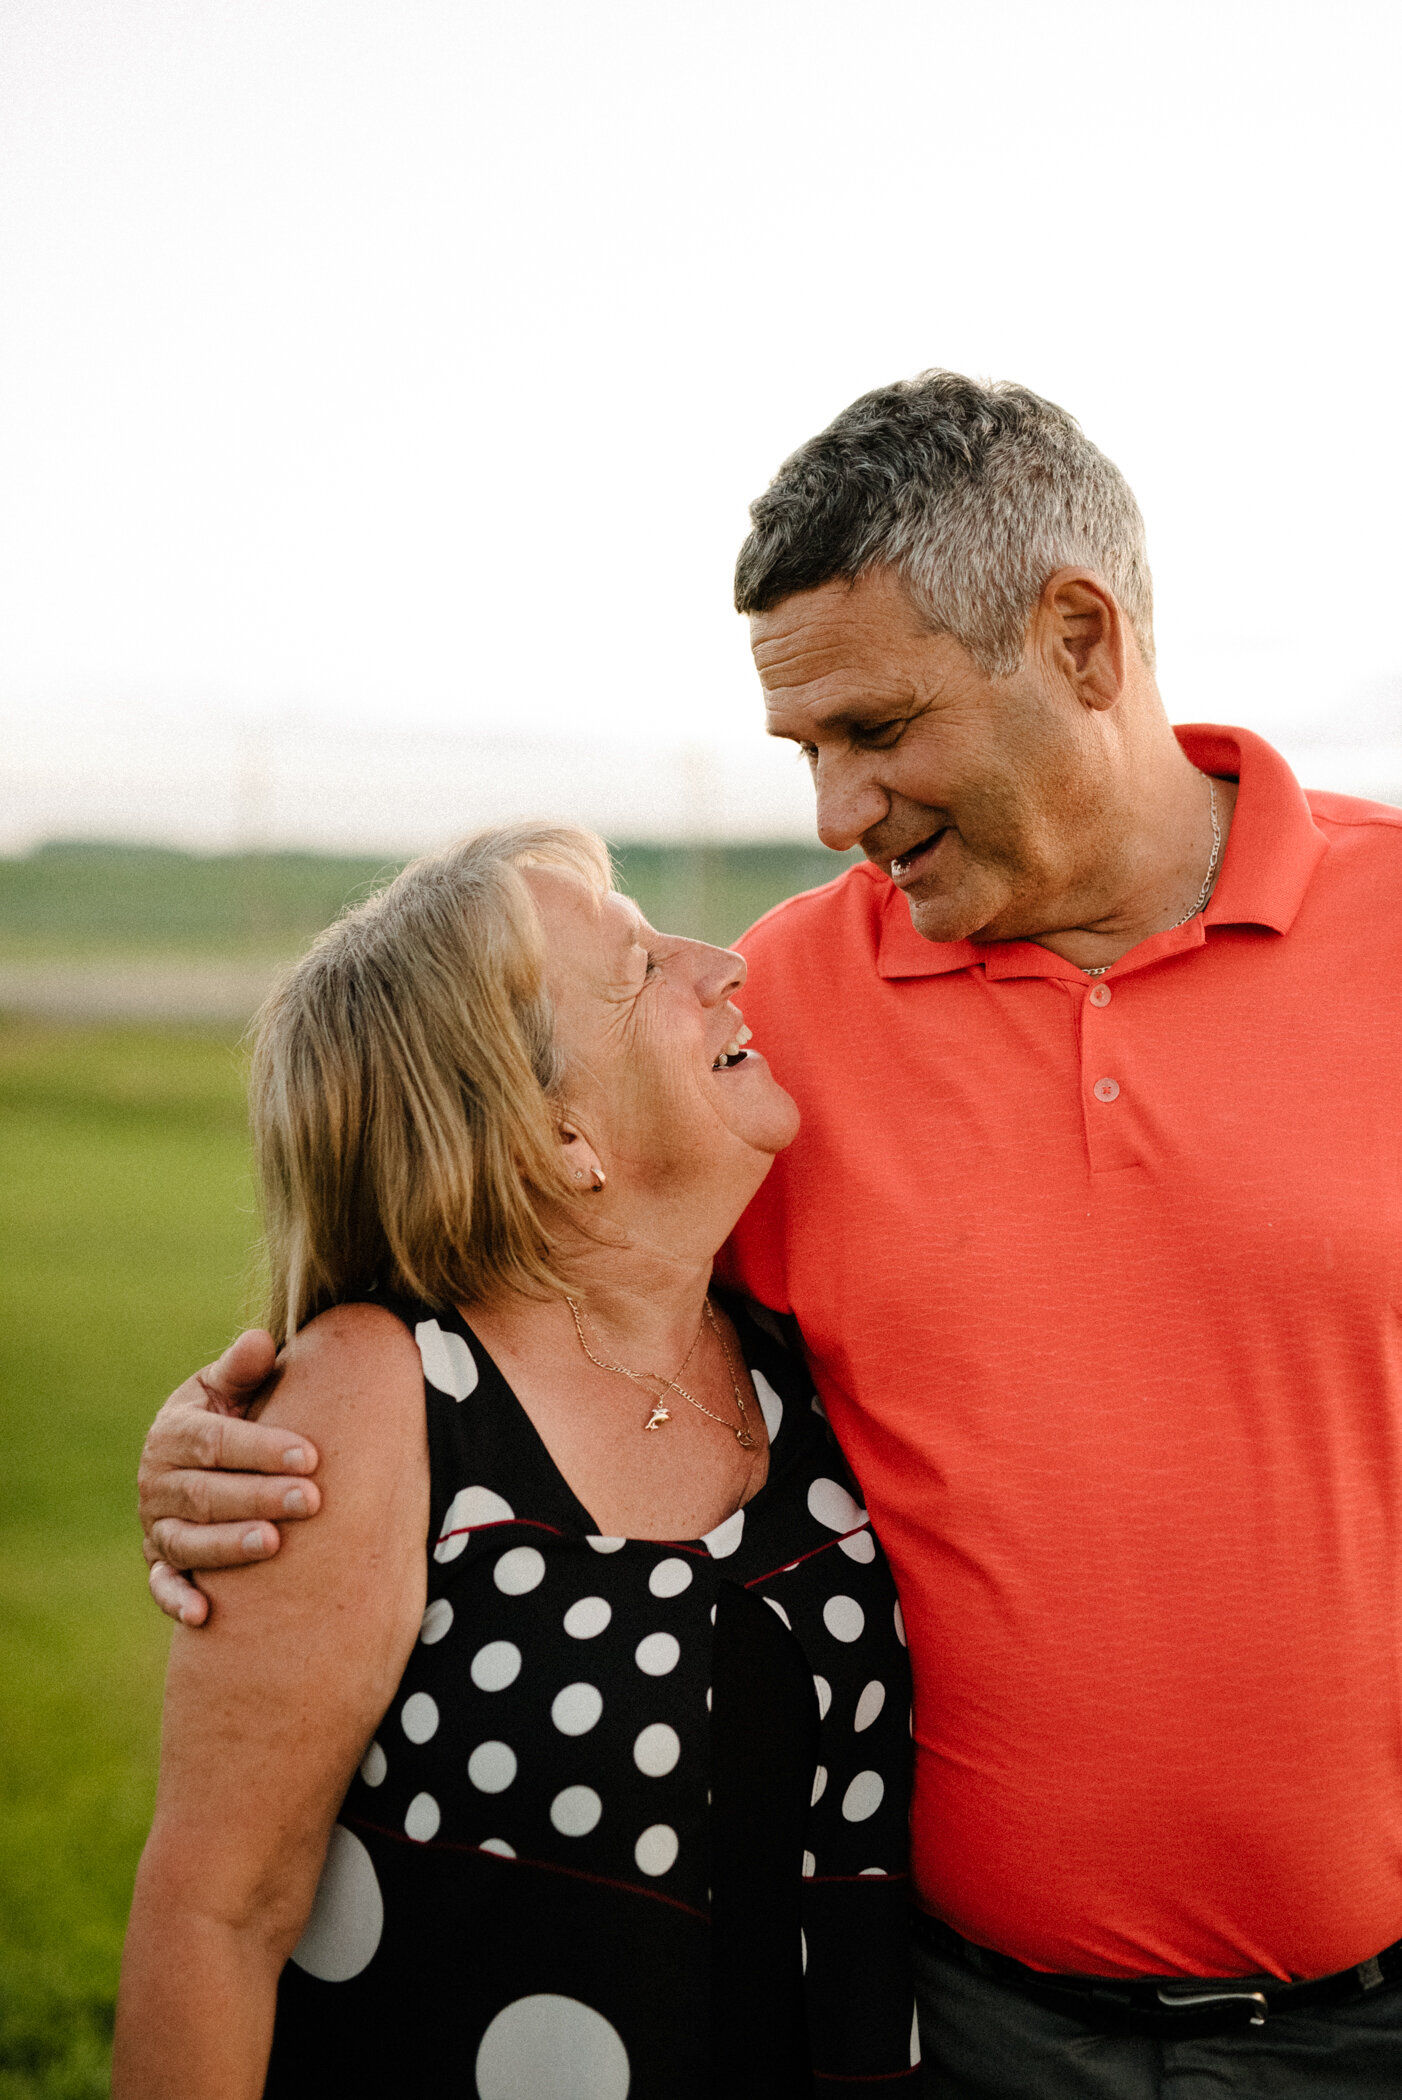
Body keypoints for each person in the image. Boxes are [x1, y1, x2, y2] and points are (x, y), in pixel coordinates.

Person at [138, 372, 1402, 2098]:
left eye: (875, 731)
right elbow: (519, 1290)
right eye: (804, 750)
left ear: (1082, 642)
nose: (833, 815)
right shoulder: (779, 1017)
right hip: (949, 2033)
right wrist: (244, 1442)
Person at [115, 823, 917, 2099]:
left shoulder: (792, 1347)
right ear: (557, 1140)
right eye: (641, 967)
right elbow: (216, 1918)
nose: (723, 964)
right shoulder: (374, 1398)